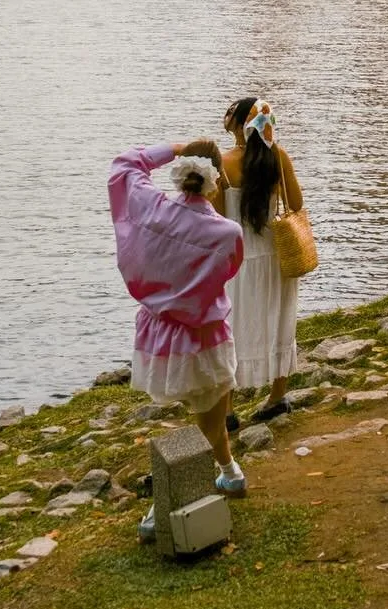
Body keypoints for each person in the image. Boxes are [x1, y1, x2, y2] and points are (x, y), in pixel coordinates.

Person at [107, 137, 247, 545]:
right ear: (214, 183)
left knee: (213, 414)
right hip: (203, 338)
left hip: (157, 337)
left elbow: (125, 165)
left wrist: (177, 146)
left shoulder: (152, 208)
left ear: (179, 175)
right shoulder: (225, 232)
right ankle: (164, 503)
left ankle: (231, 474)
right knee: (210, 417)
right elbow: (229, 270)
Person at [217, 96, 304, 423]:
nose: (224, 117)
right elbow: (295, 203)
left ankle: (227, 409)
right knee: (279, 322)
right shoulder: (278, 157)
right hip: (278, 258)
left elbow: (215, 217)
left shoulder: (222, 164)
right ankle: (277, 397)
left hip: (239, 262)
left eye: (229, 113)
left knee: (230, 330)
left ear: (240, 124)